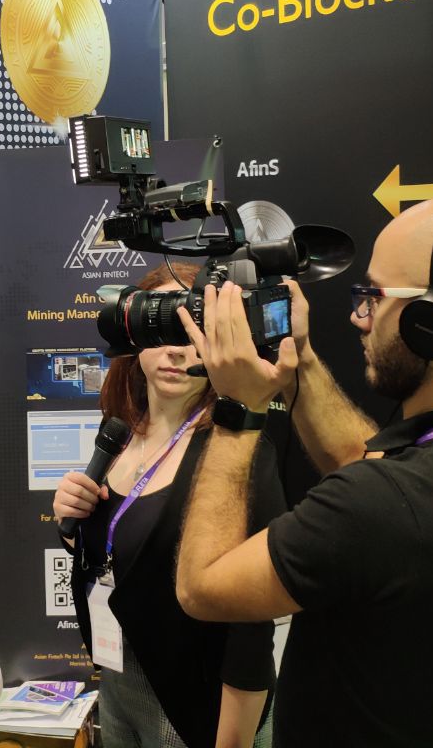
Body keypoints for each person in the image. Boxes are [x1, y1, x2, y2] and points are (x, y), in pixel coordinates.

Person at [174, 193, 433, 748]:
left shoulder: (379, 506)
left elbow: (201, 587)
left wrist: (238, 409)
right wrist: (299, 360)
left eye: (375, 297)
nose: (359, 316)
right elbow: (367, 466)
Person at [52, 263, 281, 748]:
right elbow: (121, 555)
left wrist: (233, 740)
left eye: (192, 329)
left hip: (197, 703)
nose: (176, 349)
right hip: (119, 677)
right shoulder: (118, 431)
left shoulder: (237, 450)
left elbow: (251, 623)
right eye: (162, 327)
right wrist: (71, 523)